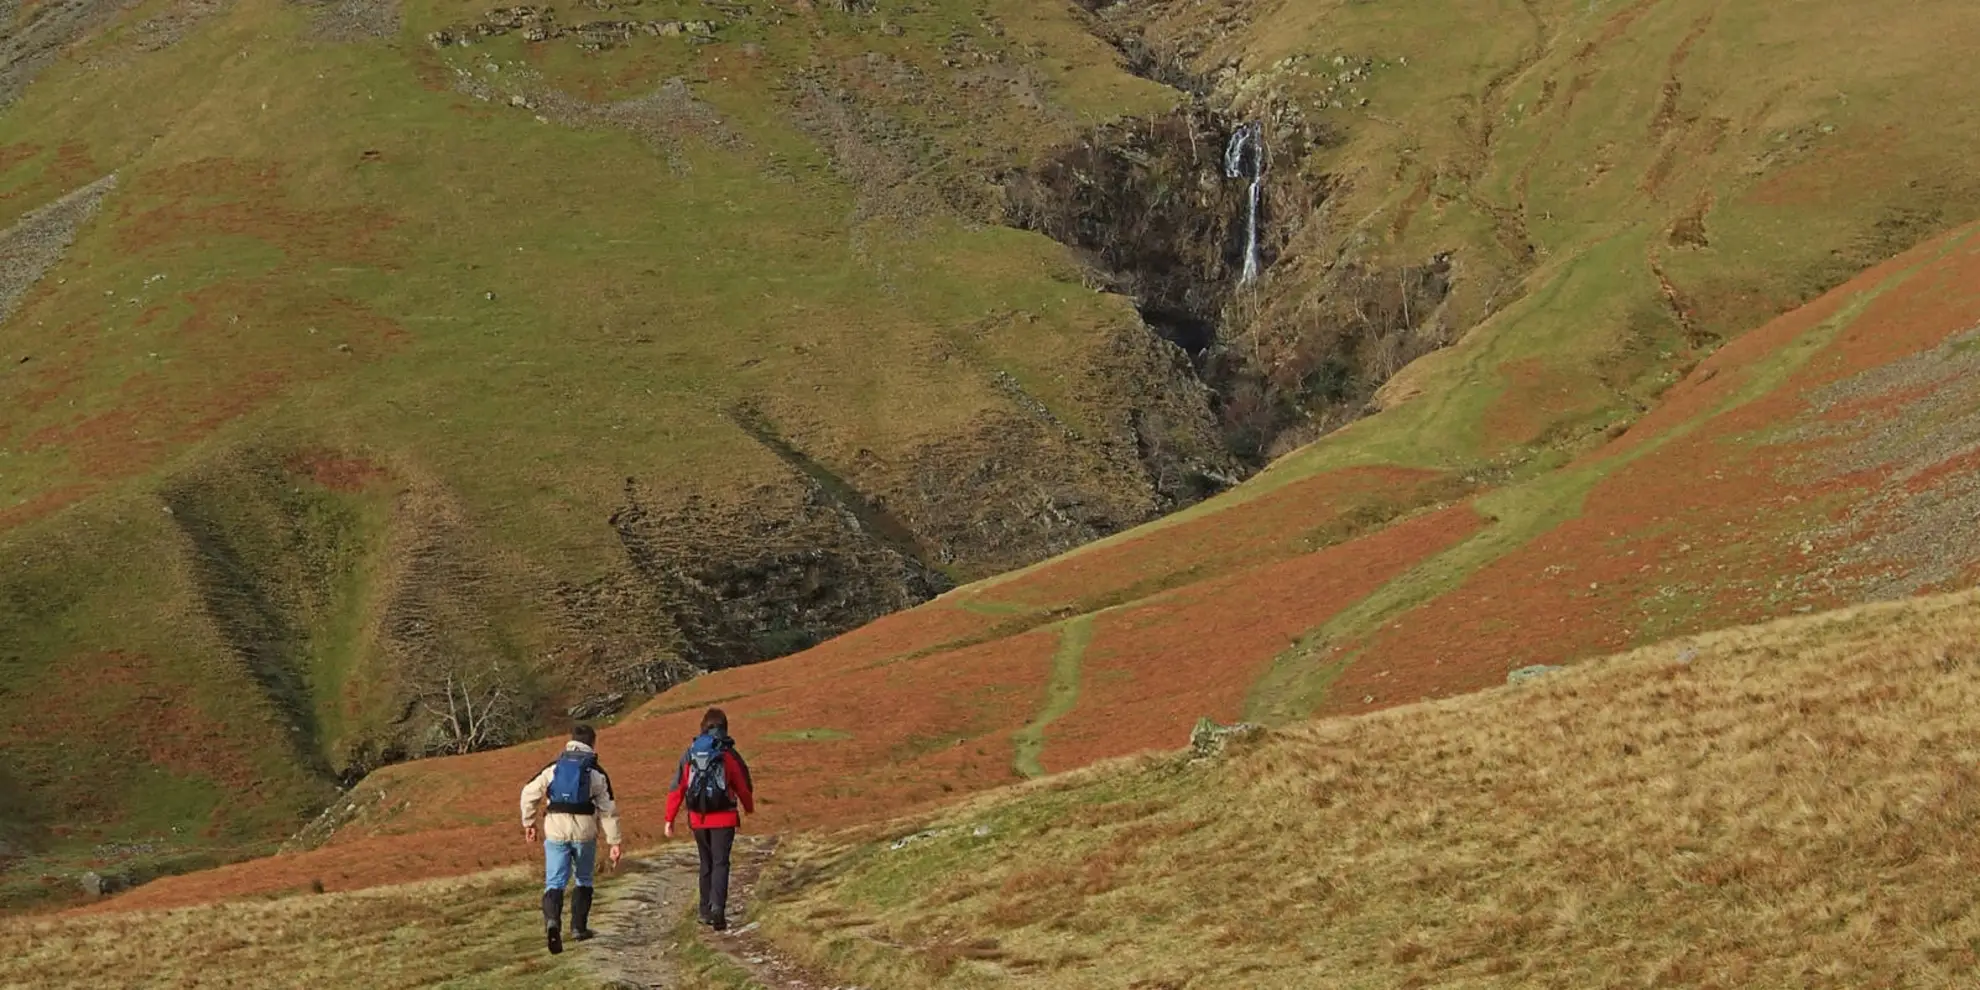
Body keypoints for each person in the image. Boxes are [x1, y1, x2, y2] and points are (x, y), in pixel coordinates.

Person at [520, 724, 623, 955]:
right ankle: (579, 928)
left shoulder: (554, 768)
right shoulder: (596, 773)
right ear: (592, 743)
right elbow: (608, 810)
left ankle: (552, 923)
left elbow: (528, 792)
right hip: (585, 831)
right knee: (584, 879)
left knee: (555, 882)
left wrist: (529, 823)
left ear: (571, 741)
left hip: (556, 827)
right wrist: (614, 842)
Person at [664, 707, 754, 931]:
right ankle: (718, 910)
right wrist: (749, 807)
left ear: (703, 726)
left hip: (698, 818)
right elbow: (742, 785)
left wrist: (669, 819)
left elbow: (678, 788)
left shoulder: (691, 752)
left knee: (706, 862)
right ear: (724, 726)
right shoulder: (728, 753)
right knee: (721, 862)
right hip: (724, 818)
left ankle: (704, 910)